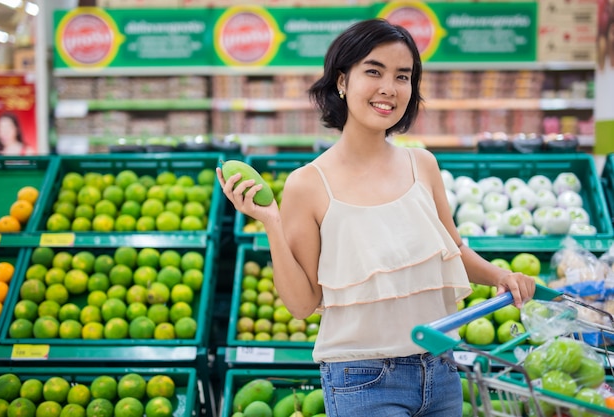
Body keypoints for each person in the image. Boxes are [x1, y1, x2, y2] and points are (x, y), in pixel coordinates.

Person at [218, 18, 535, 417]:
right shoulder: (308, 184)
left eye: (403, 76)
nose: (389, 87)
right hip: (362, 381)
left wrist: (500, 276)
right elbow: (302, 304)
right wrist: (270, 222)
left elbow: (452, 251)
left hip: (440, 370)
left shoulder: (423, 164)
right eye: (373, 71)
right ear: (342, 81)